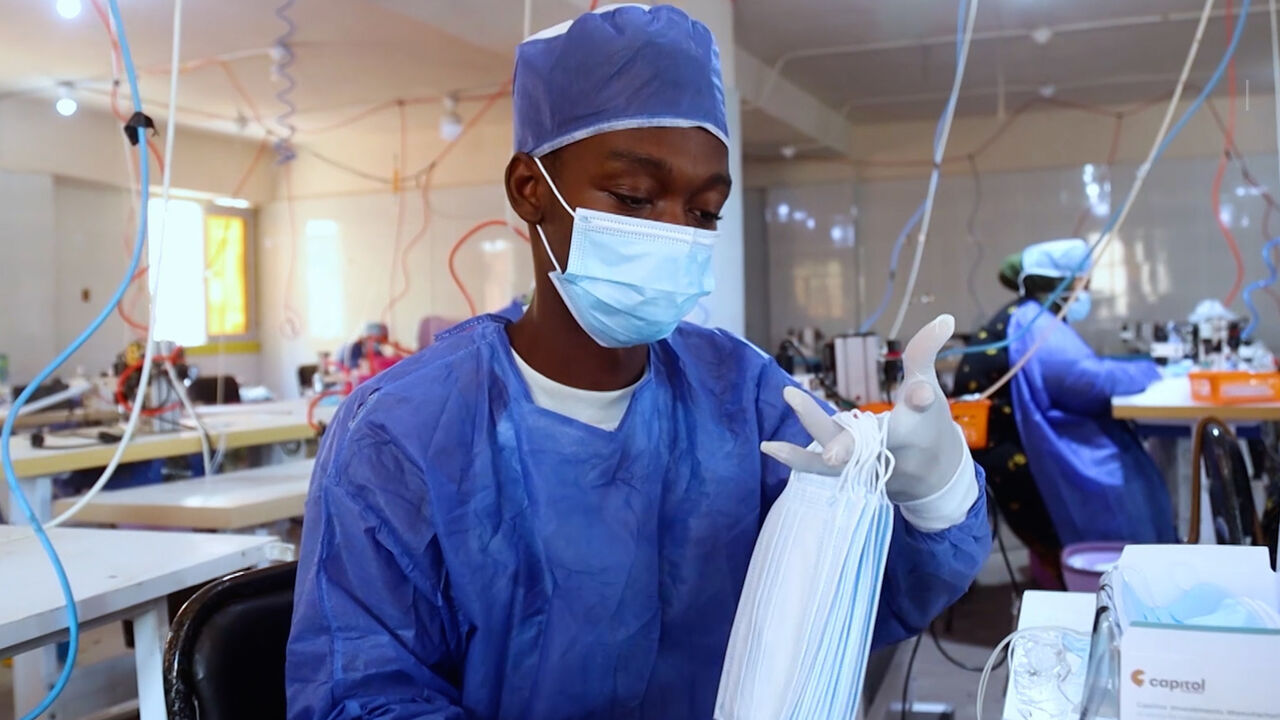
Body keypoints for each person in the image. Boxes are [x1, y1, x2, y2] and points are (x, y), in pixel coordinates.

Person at [285, 6, 990, 719]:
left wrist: (932, 491)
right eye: (633, 197)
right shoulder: (403, 433)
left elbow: (860, 601)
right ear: (531, 189)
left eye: (703, 211)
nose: (672, 234)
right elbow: (363, 695)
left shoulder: (741, 399)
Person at [987, 238, 1174, 550]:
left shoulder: (1037, 318)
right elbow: (1086, 380)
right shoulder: (1038, 324)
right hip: (1084, 450)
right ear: (1067, 281)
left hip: (1078, 437)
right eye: (1083, 282)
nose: (1085, 291)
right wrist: (1146, 370)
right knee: (1131, 531)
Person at [953, 250, 1067, 587]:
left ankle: (1054, 575)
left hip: (986, 435)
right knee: (1055, 506)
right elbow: (1072, 376)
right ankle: (1062, 583)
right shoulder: (1032, 318)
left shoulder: (1017, 314)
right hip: (996, 446)